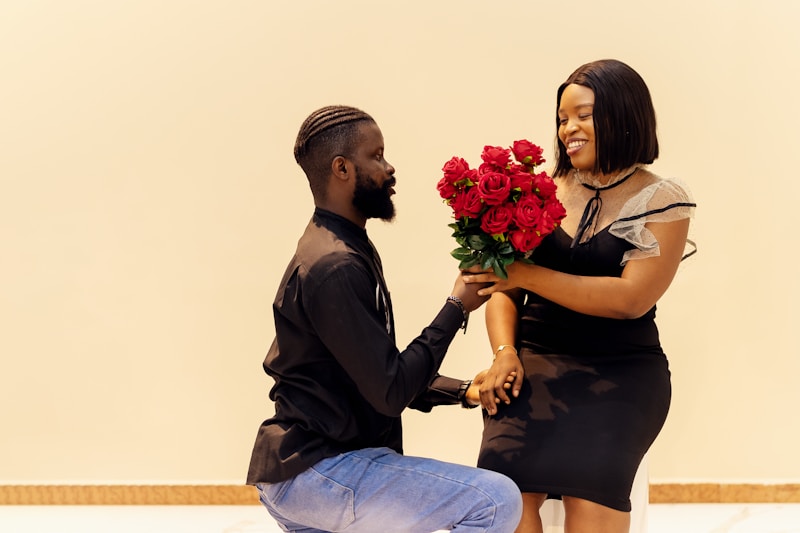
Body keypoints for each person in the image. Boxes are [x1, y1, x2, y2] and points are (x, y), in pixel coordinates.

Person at [246, 105, 523, 533]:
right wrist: (456, 306)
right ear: (342, 168)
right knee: (495, 500)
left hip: (307, 471)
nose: (389, 167)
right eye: (376, 156)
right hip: (319, 470)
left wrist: (462, 391)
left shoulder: (343, 246)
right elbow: (391, 390)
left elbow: (376, 373)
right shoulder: (335, 265)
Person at [462, 59, 696, 533]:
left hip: (620, 371)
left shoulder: (662, 199)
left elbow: (630, 299)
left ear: (624, 115)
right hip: (534, 361)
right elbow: (501, 287)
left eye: (583, 115)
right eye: (562, 118)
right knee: (502, 499)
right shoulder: (538, 191)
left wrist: (526, 274)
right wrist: (504, 352)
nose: (568, 128)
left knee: (589, 499)